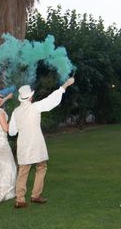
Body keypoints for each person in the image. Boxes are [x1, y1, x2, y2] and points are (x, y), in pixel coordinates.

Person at [9, 77, 75, 208]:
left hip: (23, 144)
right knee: (41, 167)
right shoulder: (35, 107)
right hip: (36, 143)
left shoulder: (15, 112)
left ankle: (20, 199)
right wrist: (66, 84)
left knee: (23, 171)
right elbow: (51, 100)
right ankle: (35, 195)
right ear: (30, 97)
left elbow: (11, 132)